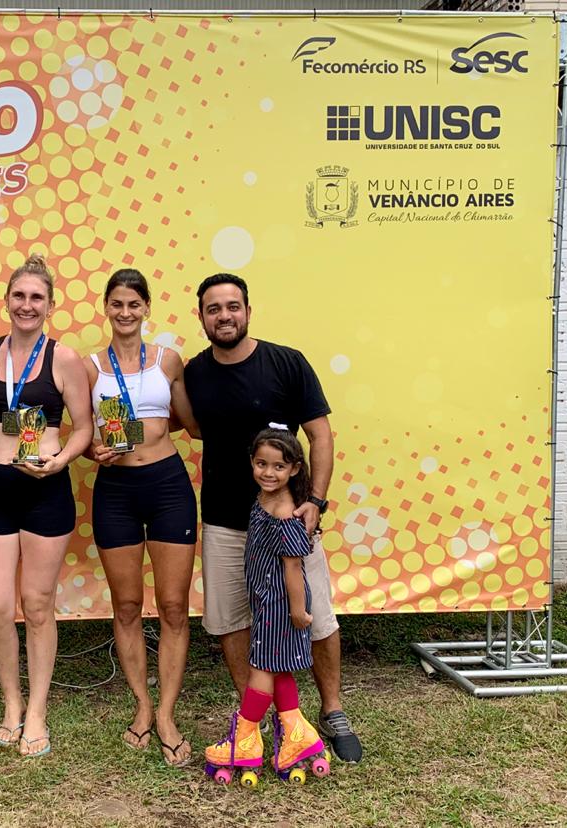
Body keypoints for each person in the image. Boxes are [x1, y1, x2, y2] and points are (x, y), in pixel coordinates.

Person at [182, 272, 363, 763]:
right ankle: (255, 724)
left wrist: (316, 502)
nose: (224, 316)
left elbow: (320, 435)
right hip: (224, 520)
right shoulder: (195, 373)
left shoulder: (286, 362)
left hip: (288, 522)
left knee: (317, 616)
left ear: (248, 310)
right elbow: (183, 425)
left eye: (232, 306)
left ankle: (332, 709)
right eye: (214, 308)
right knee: (232, 621)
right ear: (201, 318)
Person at [0, 253, 94, 758]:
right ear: (6, 300)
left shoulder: (63, 359)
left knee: (37, 606)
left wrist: (60, 460)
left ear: (49, 304)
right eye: (19, 295)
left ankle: (38, 711)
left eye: (36, 297)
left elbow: (85, 427)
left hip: (44, 488)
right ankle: (11, 704)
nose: (27, 305)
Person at [83, 269, 197, 767]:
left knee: (173, 608)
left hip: (169, 486)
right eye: (117, 304)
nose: (125, 313)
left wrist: (152, 429)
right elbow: (82, 435)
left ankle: (168, 713)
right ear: (105, 308)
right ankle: (142, 707)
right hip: (116, 491)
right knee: (127, 607)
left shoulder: (168, 360)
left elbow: (190, 422)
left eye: (134, 304)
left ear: (146, 308)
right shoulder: (88, 367)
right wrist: (95, 450)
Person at [204, 429, 328, 780]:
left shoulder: (286, 515)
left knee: (260, 669)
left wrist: (298, 611)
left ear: (294, 469)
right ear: (252, 463)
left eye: (278, 466)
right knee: (279, 670)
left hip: (280, 607)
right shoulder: (263, 499)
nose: (268, 473)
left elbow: (293, 570)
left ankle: (244, 740)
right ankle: (296, 736)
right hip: (265, 601)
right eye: (261, 464)